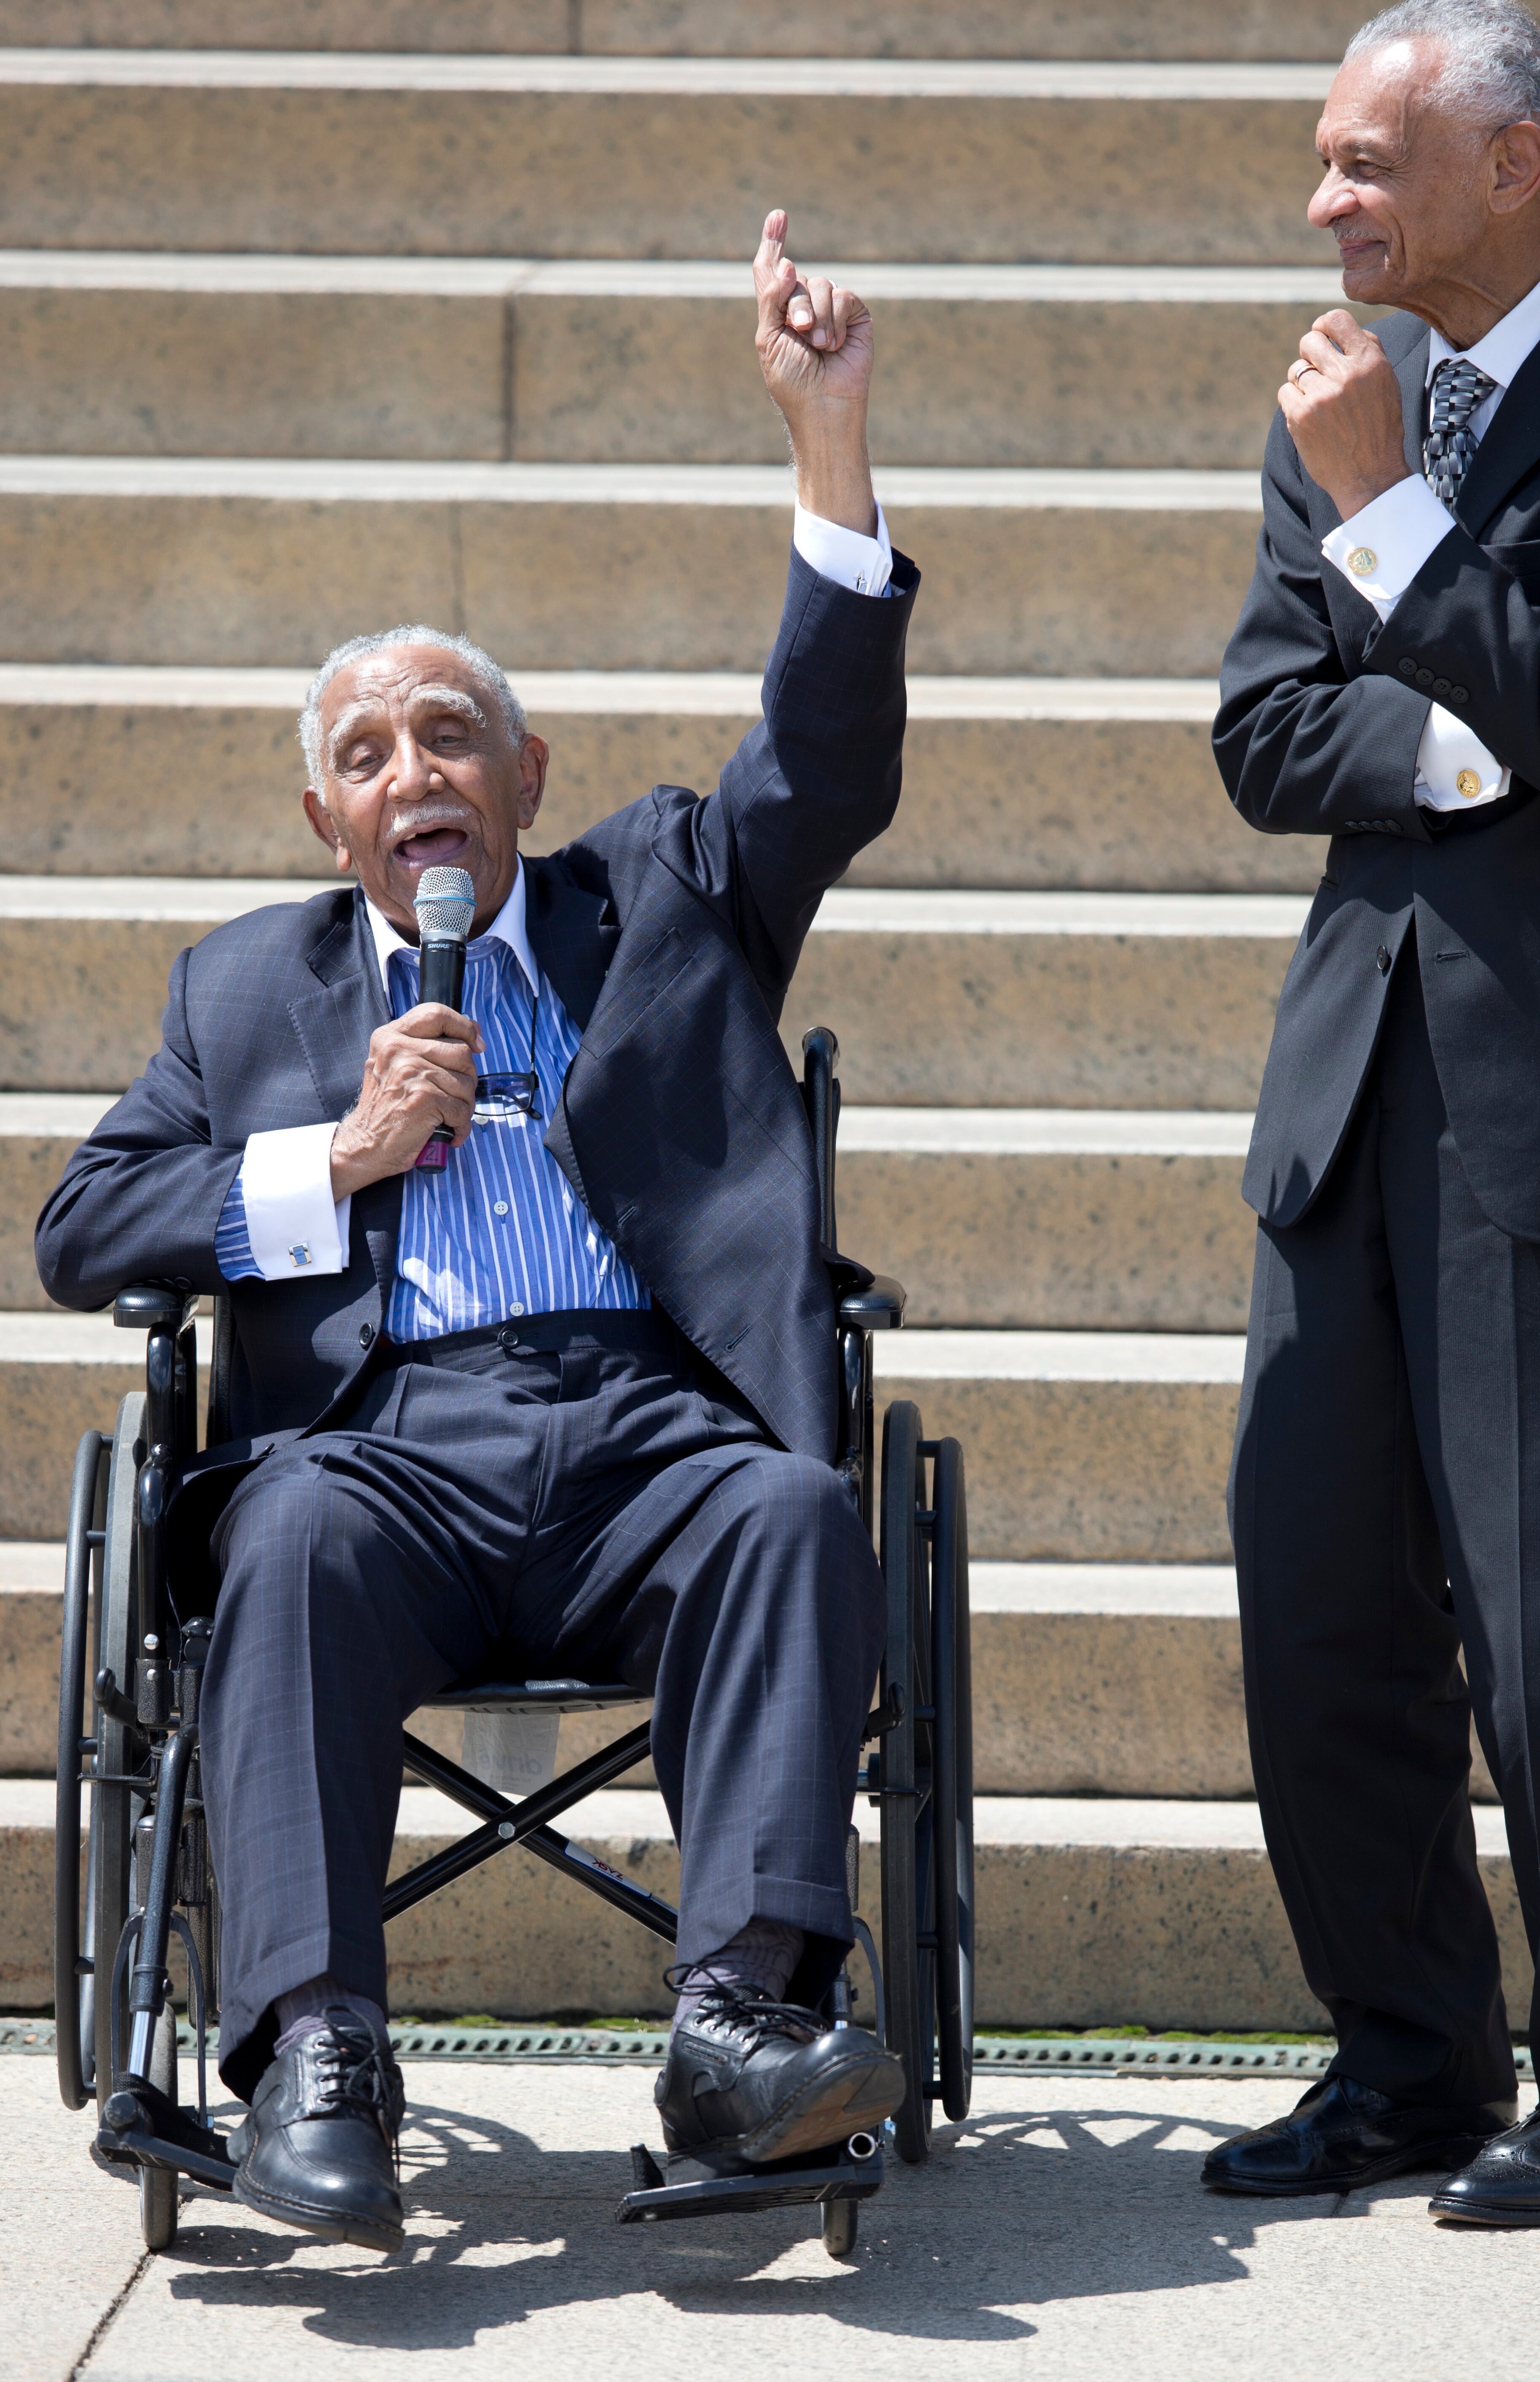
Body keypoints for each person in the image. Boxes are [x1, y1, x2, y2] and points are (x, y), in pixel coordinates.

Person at [36, 211, 914, 2253]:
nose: (412, 772)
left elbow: (826, 763)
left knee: (793, 1510)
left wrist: (828, 438)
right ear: (329, 826)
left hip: (650, 1437)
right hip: (390, 1454)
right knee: (288, 1533)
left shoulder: (664, 898)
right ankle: (317, 2051)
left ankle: (742, 2027)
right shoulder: (243, 996)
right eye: (365, 754)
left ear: (525, 775)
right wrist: (329, 1163)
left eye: (449, 736)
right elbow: (84, 1227)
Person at [1208, 1, 1540, 2225]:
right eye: (1323, 160)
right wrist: (1494, 748)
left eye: (1369, 162)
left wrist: (1388, 520)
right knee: (1319, 1597)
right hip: (1355, 1088)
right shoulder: (1336, 395)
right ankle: (1409, 2062)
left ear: (1517, 170)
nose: (1326, 201)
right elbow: (1269, 737)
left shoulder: (1418, 421)